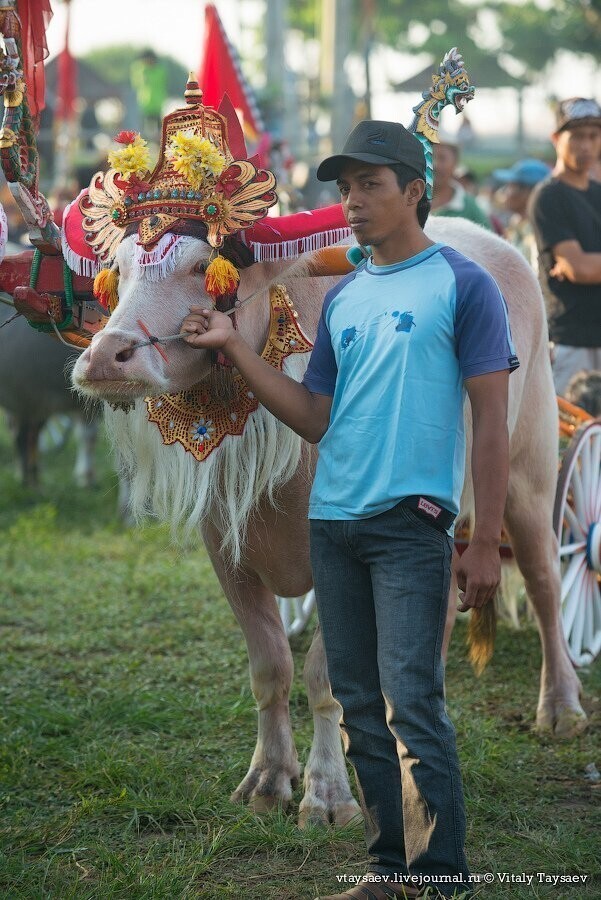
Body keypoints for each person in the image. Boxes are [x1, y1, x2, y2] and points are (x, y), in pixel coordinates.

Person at [180, 120, 518, 900]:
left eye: (370, 184)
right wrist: (235, 347)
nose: (353, 201)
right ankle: (386, 869)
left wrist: (481, 538)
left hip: (411, 523)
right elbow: (315, 419)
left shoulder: (463, 284)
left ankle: (439, 880)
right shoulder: (347, 297)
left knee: (411, 702)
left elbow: (491, 424)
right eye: (344, 188)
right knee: (358, 704)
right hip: (332, 522)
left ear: (413, 192)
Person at [529, 97, 601, 395]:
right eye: (577, 136)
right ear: (557, 139)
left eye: (593, 136)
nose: (586, 145)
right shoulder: (549, 197)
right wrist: (580, 265)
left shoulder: (598, 193)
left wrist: (586, 263)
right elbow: (579, 269)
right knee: (568, 438)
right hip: (570, 342)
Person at [493, 158, 551, 268]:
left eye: (511, 186)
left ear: (530, 192)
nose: (505, 192)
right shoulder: (516, 223)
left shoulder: (539, 230)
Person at [431, 140, 492, 230]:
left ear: (455, 164)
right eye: (430, 157)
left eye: (442, 158)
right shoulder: (411, 201)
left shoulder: (470, 208)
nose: (435, 164)